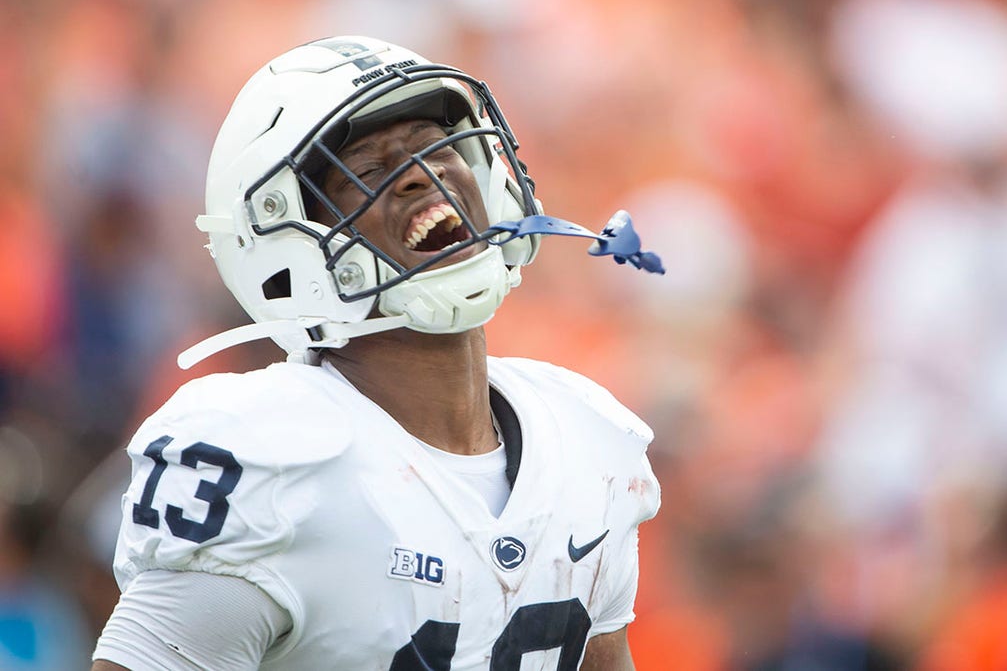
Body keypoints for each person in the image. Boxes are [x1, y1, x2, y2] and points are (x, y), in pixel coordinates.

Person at [90, 35, 662, 670]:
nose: (424, 172)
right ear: (285, 243)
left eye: (433, 145)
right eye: (368, 171)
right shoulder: (270, 465)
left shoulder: (586, 439)